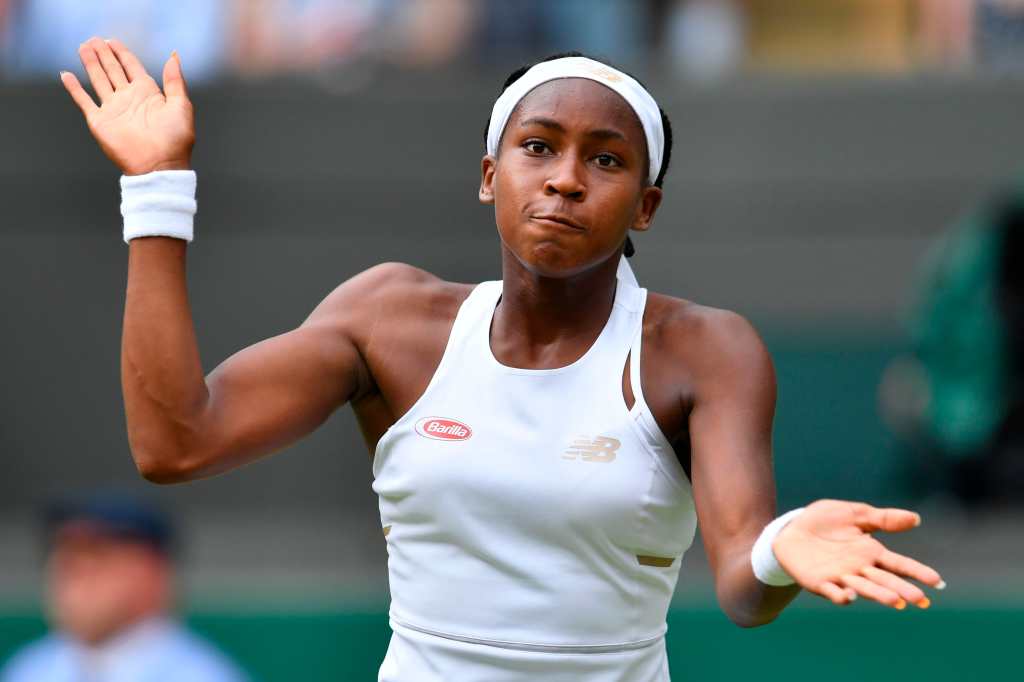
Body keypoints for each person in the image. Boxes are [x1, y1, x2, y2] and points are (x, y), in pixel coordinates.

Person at [58, 37, 945, 681]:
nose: (565, 178)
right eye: (538, 147)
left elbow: (744, 583)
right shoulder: (388, 318)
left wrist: (784, 546)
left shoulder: (706, 351)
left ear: (645, 206)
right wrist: (157, 190)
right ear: (491, 175)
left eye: (605, 160)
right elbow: (175, 443)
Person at [0, 492, 250, 682]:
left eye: (96, 555)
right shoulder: (29, 669)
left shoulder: (203, 676)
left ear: (154, 572)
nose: (73, 573)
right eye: (64, 554)